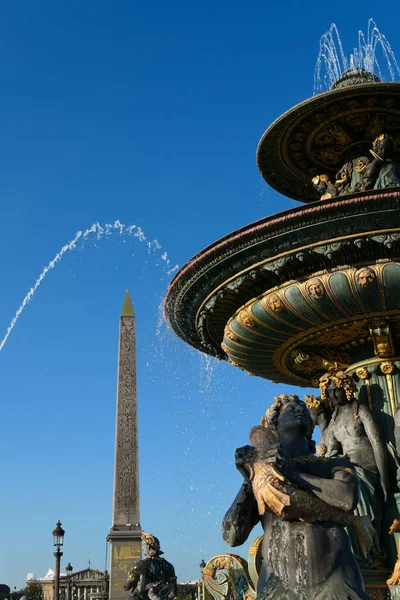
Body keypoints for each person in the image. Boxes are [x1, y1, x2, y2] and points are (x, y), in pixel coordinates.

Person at [222, 394, 370, 600]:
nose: (299, 408)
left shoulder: (331, 464)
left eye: (302, 407)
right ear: (275, 422)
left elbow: (347, 498)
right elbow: (232, 536)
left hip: (335, 579)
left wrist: (293, 474)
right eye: (290, 408)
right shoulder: (262, 476)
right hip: (279, 584)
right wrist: (249, 479)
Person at [318, 371, 389, 563]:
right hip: (348, 470)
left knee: (352, 487)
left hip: (367, 469)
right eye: (329, 392)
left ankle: (372, 551)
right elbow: (328, 452)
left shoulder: (361, 411)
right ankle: (351, 551)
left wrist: (385, 479)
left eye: (337, 390)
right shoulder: (333, 422)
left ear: (347, 389)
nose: (333, 395)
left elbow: (377, 444)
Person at [124, 532, 177, 600]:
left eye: (143, 546)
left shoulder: (140, 565)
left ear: (147, 547)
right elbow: (173, 592)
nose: (142, 549)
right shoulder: (169, 566)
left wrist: (130, 577)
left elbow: (126, 587)